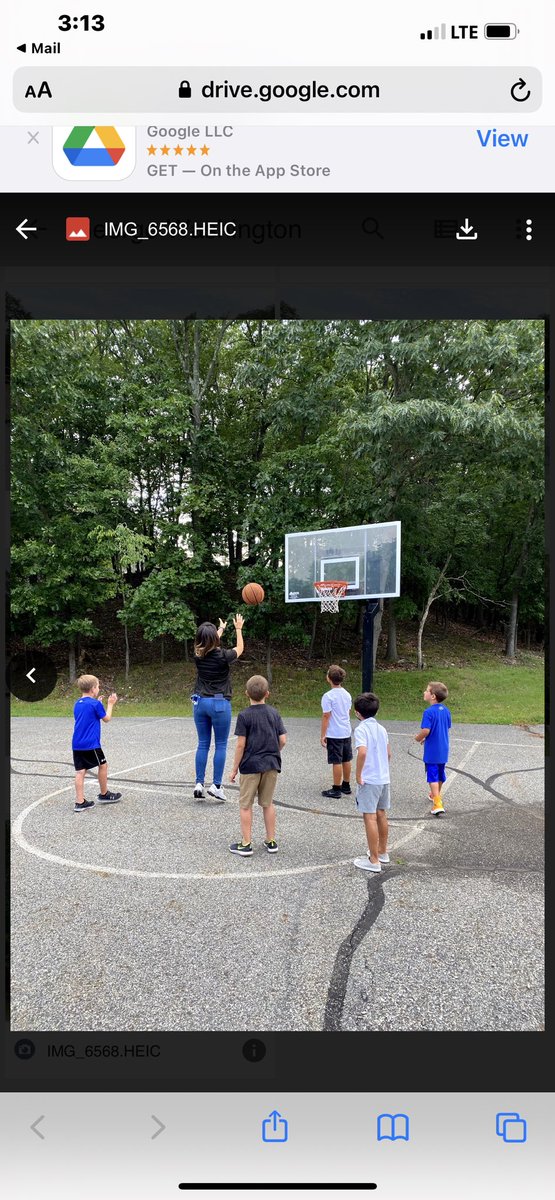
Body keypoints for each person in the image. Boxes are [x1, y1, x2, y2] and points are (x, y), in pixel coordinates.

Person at [228, 674, 287, 857]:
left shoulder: (244, 716)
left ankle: (246, 843)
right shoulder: (274, 713)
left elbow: (240, 745)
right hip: (271, 764)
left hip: (250, 765)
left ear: (247, 694)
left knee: (246, 805)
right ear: (267, 694)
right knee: (267, 803)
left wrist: (234, 768)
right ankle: (271, 840)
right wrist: (274, 752)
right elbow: (283, 740)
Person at [192, 614, 244, 802]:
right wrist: (238, 628)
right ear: (215, 639)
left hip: (200, 703)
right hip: (219, 703)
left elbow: (209, 642)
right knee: (220, 745)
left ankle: (199, 783)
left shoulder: (197, 655)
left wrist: (221, 628)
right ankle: (216, 785)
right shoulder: (223, 656)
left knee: (203, 744)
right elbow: (240, 648)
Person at [352, 692, 391, 873]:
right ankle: (382, 851)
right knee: (381, 813)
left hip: (370, 778)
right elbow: (388, 754)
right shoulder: (382, 729)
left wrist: (358, 774)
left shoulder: (361, 729)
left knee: (369, 816)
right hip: (384, 777)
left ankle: (374, 860)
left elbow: (362, 752)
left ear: (357, 712)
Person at [72, 675, 121, 813]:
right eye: (98, 686)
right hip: (91, 744)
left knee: (80, 771)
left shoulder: (78, 703)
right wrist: (110, 704)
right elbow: (107, 719)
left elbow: (88, 715)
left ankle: (79, 802)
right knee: (103, 765)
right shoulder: (95, 704)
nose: (98, 688)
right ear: (93, 689)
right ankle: (104, 794)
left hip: (77, 743)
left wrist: (97, 703)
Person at [415, 680, 451, 816]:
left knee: (432, 775)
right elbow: (446, 727)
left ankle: (437, 803)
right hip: (444, 747)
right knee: (440, 773)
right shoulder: (446, 711)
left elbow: (426, 730)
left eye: (426, 690)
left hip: (432, 750)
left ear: (433, 696)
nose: (424, 692)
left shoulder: (428, 712)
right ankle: (435, 795)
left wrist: (419, 737)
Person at [320, 664, 353, 798]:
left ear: (329, 678)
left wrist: (323, 734)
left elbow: (326, 716)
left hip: (335, 733)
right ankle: (346, 784)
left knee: (336, 761)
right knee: (346, 759)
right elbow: (348, 711)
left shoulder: (328, 696)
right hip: (346, 731)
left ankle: (336, 788)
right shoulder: (347, 694)